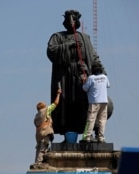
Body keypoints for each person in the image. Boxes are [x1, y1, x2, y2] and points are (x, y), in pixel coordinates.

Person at [46, 9, 107, 141]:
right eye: (68, 20)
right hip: (64, 77)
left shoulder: (84, 38)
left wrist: (101, 72)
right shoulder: (57, 37)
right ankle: (68, 136)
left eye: (73, 20)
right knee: (66, 104)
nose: (71, 22)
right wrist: (69, 45)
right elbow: (51, 51)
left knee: (85, 105)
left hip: (81, 78)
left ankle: (90, 134)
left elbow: (93, 56)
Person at [31, 89, 62, 169]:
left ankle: (36, 162)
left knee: (38, 148)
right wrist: (58, 94)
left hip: (38, 134)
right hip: (45, 132)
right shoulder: (46, 110)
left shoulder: (36, 115)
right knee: (43, 147)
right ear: (44, 107)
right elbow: (55, 103)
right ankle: (39, 163)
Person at [81, 62, 110, 143]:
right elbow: (108, 85)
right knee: (102, 119)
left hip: (94, 102)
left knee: (91, 119)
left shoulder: (91, 78)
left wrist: (84, 81)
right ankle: (101, 138)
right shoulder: (104, 77)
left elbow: (84, 89)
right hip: (104, 101)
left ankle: (87, 137)